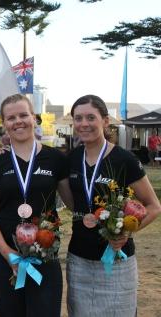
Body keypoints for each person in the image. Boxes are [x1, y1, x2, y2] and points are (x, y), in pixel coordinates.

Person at [0, 94, 73, 317]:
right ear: (4, 124)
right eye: (11, 117)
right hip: (5, 260)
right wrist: (8, 253)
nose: (18, 121)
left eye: (23, 115)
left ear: (35, 118)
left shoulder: (55, 159)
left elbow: (73, 203)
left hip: (45, 258)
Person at [66, 95, 161, 317]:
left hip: (117, 260)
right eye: (78, 118)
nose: (84, 123)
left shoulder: (124, 159)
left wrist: (127, 231)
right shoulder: (70, 159)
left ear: (105, 121)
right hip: (79, 259)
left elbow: (154, 206)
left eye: (91, 117)